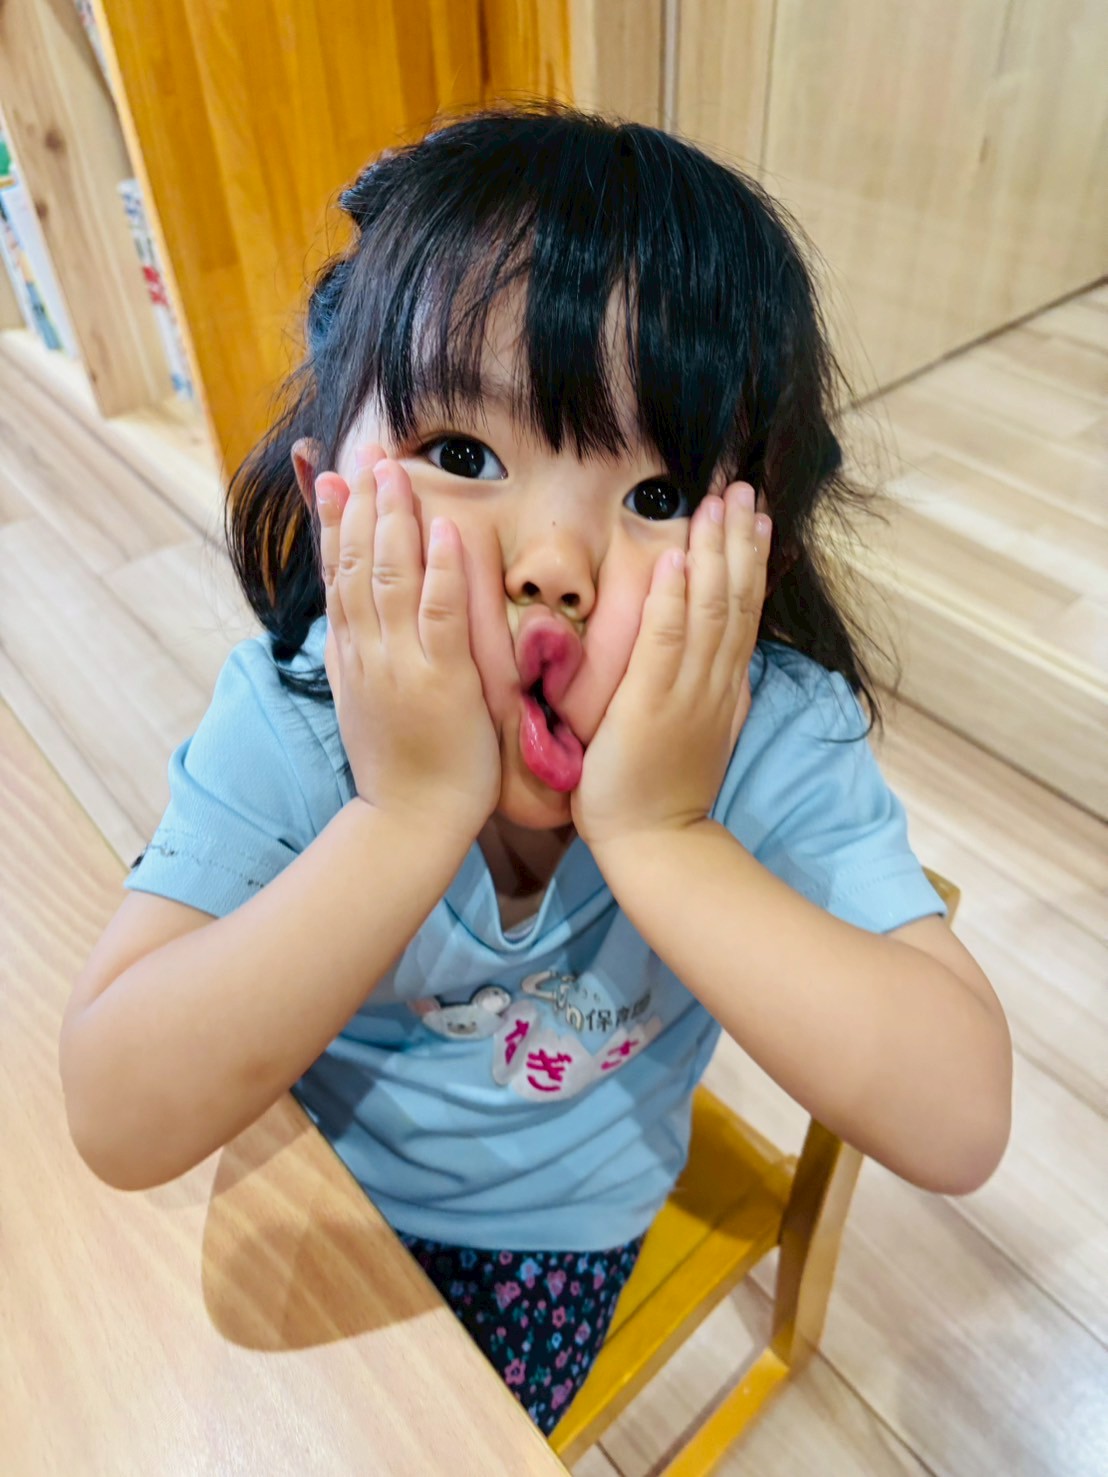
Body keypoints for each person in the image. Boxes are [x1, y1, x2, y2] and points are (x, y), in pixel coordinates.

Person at [59, 105, 1012, 1435]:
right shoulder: (304, 715)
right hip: (312, 1173)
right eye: (463, 456)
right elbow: (118, 1111)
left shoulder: (761, 733)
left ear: (758, 566)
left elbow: (961, 1119)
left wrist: (667, 833)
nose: (554, 565)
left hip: (554, 1241)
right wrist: (403, 814)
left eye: (659, 496)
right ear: (335, 503)